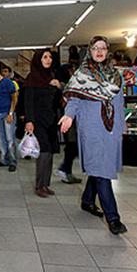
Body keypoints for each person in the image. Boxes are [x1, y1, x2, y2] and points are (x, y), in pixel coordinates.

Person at [59, 36, 127, 235]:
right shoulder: (82, 74)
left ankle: (88, 200)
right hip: (90, 129)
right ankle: (113, 218)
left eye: (103, 48)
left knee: (100, 169)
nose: (99, 51)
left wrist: (122, 125)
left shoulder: (116, 75)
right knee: (102, 172)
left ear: (108, 51)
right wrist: (69, 116)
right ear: (89, 50)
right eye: (96, 48)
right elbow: (73, 100)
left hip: (111, 129)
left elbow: (120, 102)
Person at [24, 50, 61, 197]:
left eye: (50, 57)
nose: (48, 60)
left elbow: (56, 101)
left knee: (50, 151)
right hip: (37, 120)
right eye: (45, 57)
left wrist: (58, 86)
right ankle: (39, 185)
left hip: (51, 120)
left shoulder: (51, 77)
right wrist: (29, 120)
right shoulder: (32, 78)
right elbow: (28, 102)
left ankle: (46, 184)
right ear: (38, 60)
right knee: (44, 151)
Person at [54, 46, 83, 184]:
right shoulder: (64, 86)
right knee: (72, 144)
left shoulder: (66, 85)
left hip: (71, 119)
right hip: (68, 119)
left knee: (73, 145)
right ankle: (65, 169)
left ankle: (66, 169)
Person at [0, 65, 18, 172]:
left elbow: (14, 98)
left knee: (10, 139)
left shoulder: (8, 83)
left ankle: (13, 161)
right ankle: (4, 159)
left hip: (7, 113)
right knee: (1, 139)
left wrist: (11, 113)